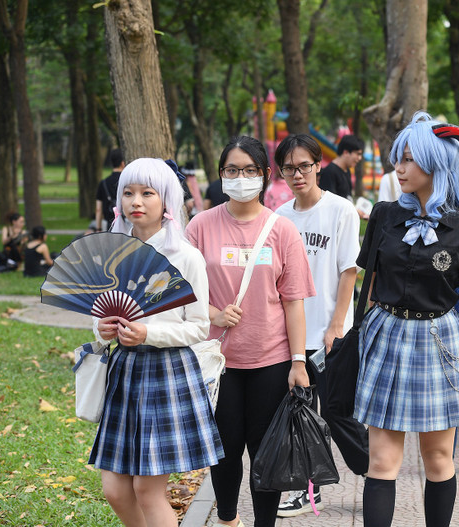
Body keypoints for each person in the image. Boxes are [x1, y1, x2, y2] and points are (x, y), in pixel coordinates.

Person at [355, 113, 459, 527]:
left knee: (438, 458)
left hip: (440, 340)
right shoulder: (383, 216)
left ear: (437, 164)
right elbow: (370, 281)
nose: (398, 169)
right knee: (382, 461)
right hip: (386, 334)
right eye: (397, 159)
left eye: (409, 160)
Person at [186, 136, 314, 527]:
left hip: (270, 360)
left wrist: (298, 362)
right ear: (221, 174)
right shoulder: (200, 227)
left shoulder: (282, 231)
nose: (239, 177)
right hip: (217, 361)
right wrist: (213, 313)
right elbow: (180, 294)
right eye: (231, 170)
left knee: (266, 453)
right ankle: (227, 519)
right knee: (222, 451)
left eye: (248, 170)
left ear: (264, 174)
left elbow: (293, 301)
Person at [90, 158, 223, 526]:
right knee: (115, 491)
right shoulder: (112, 253)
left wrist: (150, 333)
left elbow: (198, 327)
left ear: (166, 200)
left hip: (166, 372)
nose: (137, 201)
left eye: (148, 193)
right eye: (129, 192)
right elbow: (99, 316)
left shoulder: (186, 256)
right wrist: (100, 331)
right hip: (125, 370)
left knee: (148, 492)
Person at [274, 134, 369, 517]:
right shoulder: (280, 217)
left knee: (334, 413)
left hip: (330, 333)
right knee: (298, 415)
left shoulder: (341, 211)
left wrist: (336, 327)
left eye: (304, 166)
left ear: (318, 165)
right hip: (289, 336)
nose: (297, 174)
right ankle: (305, 491)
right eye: (288, 168)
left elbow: (349, 273)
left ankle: (377, 470)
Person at [318, 134, 363, 199]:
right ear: (346, 152)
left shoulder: (347, 170)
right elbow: (328, 201)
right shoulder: (329, 172)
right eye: (357, 154)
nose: (359, 158)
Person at [95, 149, 126, 232]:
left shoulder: (103, 183)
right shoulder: (127, 182)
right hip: (126, 224)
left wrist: (98, 228)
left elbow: (98, 209)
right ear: (123, 163)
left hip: (109, 225)